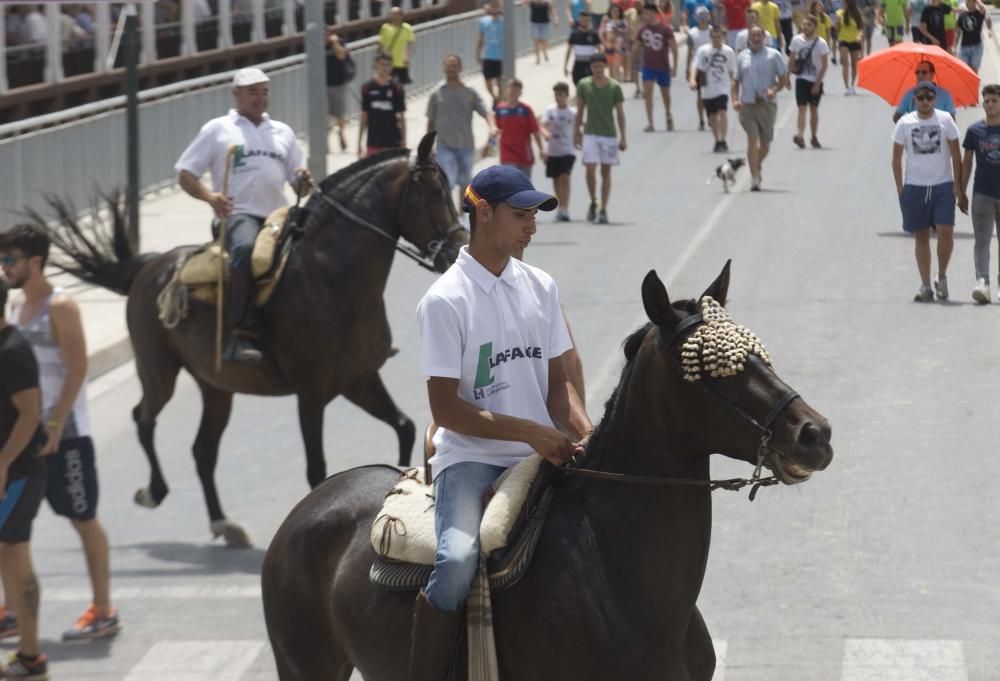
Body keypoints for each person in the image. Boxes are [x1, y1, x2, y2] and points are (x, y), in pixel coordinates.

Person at [408, 165, 592, 681]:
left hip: (542, 453)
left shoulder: (540, 286)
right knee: (458, 560)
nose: (531, 226)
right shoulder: (445, 301)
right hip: (472, 457)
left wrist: (584, 430)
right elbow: (446, 411)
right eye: (520, 215)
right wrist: (532, 433)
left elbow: (559, 389)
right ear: (482, 212)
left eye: (534, 215)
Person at [0, 224, 122, 644]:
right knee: (13, 530)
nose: (3, 267)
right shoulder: (15, 308)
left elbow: (77, 368)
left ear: (35, 261)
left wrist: (54, 425)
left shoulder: (61, 306)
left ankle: (103, 609)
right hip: (25, 437)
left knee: (82, 517)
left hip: (65, 435)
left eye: (9, 259)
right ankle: (13, 609)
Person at [175, 67, 310, 364]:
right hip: (240, 215)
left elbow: (296, 176)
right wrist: (210, 197)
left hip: (278, 215)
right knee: (246, 250)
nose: (260, 98)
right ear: (236, 95)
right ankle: (239, 332)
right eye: (253, 92)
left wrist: (302, 179)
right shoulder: (218, 129)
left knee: (321, 244)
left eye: (264, 92)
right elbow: (185, 173)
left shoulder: (282, 132)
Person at [0, 275, 49, 681]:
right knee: (9, 554)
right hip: (7, 471)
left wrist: (2, 463)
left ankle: (31, 656)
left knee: (14, 552)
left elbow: (31, 416)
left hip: (17, 473)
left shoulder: (13, 352)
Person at [891, 81, 966, 302]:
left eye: (929, 97)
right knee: (921, 236)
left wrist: (958, 186)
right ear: (915, 99)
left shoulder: (945, 120)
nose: (925, 102)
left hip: (942, 184)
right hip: (914, 185)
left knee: (945, 231)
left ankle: (941, 277)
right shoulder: (905, 123)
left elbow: (956, 153)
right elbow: (895, 158)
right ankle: (925, 285)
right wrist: (900, 189)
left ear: (935, 98)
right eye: (921, 97)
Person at [427, 54, 498, 202]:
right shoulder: (436, 94)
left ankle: (462, 214)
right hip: (444, 146)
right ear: (444, 68)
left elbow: (486, 112)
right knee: (447, 182)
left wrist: (492, 127)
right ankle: (451, 216)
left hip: (466, 145)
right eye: (449, 66)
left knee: (465, 183)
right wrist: (427, 145)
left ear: (460, 68)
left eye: (454, 66)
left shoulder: (469, 92)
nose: (451, 69)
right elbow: (430, 122)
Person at [733, 25, 787, 191]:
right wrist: (735, 99)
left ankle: (756, 165)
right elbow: (736, 81)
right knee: (752, 138)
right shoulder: (742, 57)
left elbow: (783, 78)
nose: (756, 39)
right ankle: (754, 178)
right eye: (753, 36)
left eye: (759, 36)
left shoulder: (774, 55)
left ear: (764, 37)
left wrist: (774, 89)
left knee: (765, 144)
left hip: (767, 105)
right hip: (748, 104)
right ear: (749, 38)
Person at [959, 84, 1000, 304]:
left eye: (995, 100)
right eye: (987, 101)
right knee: (982, 241)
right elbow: (966, 163)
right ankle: (982, 282)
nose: (991, 104)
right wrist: (961, 191)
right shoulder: (975, 131)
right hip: (982, 193)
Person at [575, 54, 627, 223]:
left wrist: (623, 137)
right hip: (590, 133)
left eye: (600, 66)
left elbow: (620, 113)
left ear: (605, 67)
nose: (597, 70)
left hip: (609, 135)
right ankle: (593, 201)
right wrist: (576, 131)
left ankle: (604, 208)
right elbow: (580, 109)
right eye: (594, 67)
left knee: (606, 172)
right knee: (590, 169)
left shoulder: (614, 86)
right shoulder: (584, 85)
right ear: (591, 68)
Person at [691, 24, 738, 151]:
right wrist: (692, 80)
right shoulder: (703, 51)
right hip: (708, 88)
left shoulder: (728, 51)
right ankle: (717, 140)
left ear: (723, 37)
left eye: (719, 37)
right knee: (712, 116)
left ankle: (723, 140)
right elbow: (696, 66)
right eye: (714, 37)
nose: (716, 39)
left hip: (722, 87)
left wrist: (735, 85)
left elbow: (733, 70)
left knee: (722, 112)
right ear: (710, 37)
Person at [789, 14, 830, 149]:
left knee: (813, 109)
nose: (805, 27)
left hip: (815, 79)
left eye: (809, 25)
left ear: (815, 27)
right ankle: (799, 135)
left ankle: (813, 136)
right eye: (804, 24)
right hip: (801, 79)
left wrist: (818, 83)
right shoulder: (796, 40)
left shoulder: (821, 43)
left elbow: (824, 65)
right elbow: (792, 60)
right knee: (801, 108)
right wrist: (787, 77)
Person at [494, 79, 548, 180]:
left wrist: (541, 149)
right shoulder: (500, 109)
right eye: (510, 90)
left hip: (524, 154)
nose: (512, 93)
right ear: (506, 91)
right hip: (507, 153)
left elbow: (535, 131)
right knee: (510, 182)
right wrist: (490, 146)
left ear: (520, 93)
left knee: (524, 185)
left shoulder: (526, 110)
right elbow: (495, 130)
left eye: (516, 90)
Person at [637, 2, 678, 131]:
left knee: (665, 94)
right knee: (648, 93)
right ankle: (650, 122)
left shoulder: (665, 29)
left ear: (654, 13)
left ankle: (668, 114)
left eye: (647, 13)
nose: (645, 16)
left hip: (663, 66)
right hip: (648, 66)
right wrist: (632, 63)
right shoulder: (643, 30)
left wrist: (675, 66)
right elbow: (636, 47)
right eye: (644, 13)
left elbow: (674, 48)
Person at [542, 82, 579, 221]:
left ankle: (566, 208)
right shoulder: (550, 110)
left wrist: (579, 139)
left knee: (565, 176)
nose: (558, 97)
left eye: (561, 94)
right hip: (553, 150)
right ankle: (560, 206)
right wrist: (545, 133)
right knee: (556, 179)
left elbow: (578, 127)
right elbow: (542, 125)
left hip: (568, 150)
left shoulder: (572, 112)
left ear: (566, 95)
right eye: (556, 94)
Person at [359, 54, 407, 157]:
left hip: (393, 141)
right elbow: (364, 115)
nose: (385, 68)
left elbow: (401, 117)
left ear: (392, 67)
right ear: (376, 65)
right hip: (373, 141)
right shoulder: (367, 87)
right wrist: (359, 143)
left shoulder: (397, 88)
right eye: (382, 64)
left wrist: (404, 141)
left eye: (388, 65)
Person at [325, 31, 356, 152]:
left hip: (338, 84)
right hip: (322, 86)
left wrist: (334, 42)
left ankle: (341, 133)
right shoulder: (316, 44)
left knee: (339, 114)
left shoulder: (339, 42)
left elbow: (342, 56)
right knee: (324, 116)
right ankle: (325, 143)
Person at [686, 7, 714, 130]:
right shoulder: (692, 33)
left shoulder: (712, 31)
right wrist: (688, 68)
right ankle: (701, 119)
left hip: (712, 66)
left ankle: (710, 116)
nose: (703, 19)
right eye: (700, 17)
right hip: (698, 66)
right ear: (696, 18)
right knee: (700, 94)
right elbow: (689, 51)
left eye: (705, 16)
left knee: (712, 93)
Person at [377, 7, 415, 86]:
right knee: (388, 83)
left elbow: (409, 44)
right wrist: (380, 58)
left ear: (401, 16)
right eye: (392, 15)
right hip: (388, 63)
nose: (394, 17)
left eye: (396, 15)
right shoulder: (385, 28)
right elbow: (381, 44)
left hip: (401, 62)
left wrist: (407, 56)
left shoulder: (407, 28)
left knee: (401, 85)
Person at [564, 11, 602, 86]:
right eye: (582, 20)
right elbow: (569, 50)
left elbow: (600, 50)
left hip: (591, 65)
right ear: (579, 20)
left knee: (591, 87)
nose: (584, 22)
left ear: (589, 20)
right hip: (578, 65)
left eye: (586, 20)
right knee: (578, 86)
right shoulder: (574, 34)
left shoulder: (594, 34)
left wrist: (601, 65)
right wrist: (565, 65)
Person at [955, 0, 993, 73]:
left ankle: (974, 84)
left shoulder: (980, 11)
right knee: (964, 69)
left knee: (974, 70)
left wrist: (989, 29)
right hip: (964, 46)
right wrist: (955, 46)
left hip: (977, 46)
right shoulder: (962, 11)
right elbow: (958, 31)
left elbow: (987, 18)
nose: (967, 2)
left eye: (969, 1)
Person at [478, 0, 505, 101]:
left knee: (500, 82)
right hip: (488, 56)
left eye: (497, 6)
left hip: (501, 56)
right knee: (487, 80)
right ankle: (495, 98)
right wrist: (478, 54)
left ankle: (500, 100)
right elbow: (481, 38)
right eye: (493, 5)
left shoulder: (504, 21)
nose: (495, 8)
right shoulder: (483, 21)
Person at [835, 0, 864, 94]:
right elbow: (836, 30)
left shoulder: (857, 14)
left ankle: (852, 85)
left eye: (845, 3)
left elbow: (861, 28)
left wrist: (859, 36)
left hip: (855, 40)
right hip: (843, 40)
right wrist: (837, 23)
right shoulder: (840, 13)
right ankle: (846, 86)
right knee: (845, 62)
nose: (843, 4)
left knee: (854, 65)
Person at [600, 3, 629, 80]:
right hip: (609, 47)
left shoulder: (623, 22)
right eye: (613, 10)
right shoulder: (606, 21)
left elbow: (626, 34)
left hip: (619, 48)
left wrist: (626, 46)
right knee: (610, 69)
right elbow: (601, 32)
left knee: (616, 67)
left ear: (620, 12)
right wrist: (603, 44)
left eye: (617, 10)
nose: (615, 12)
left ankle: (618, 83)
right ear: (610, 11)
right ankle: (612, 85)